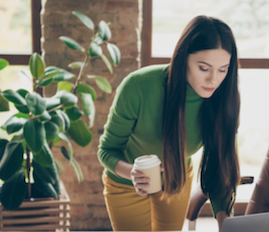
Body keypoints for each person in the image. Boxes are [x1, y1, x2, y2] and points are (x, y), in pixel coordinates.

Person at [98, 15, 241, 231]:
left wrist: (225, 221)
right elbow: (107, 150)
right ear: (184, 58)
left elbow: (220, 166)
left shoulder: (224, 98)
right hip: (127, 182)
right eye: (204, 68)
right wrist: (133, 174)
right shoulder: (138, 86)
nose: (214, 80)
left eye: (223, 69)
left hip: (178, 178)